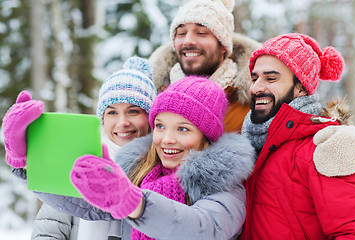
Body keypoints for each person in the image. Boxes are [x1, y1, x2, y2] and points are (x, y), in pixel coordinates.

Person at [4, 76, 255, 240]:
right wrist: (27, 160)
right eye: (159, 125)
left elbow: (202, 228)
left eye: (182, 129)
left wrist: (134, 202)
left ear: (206, 136)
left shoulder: (225, 185)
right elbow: (83, 202)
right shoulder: (141, 172)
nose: (166, 139)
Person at [2, 56, 157, 240]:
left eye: (133, 111)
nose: (122, 123)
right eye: (112, 112)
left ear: (150, 116)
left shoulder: (163, 170)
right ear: (103, 119)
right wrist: (25, 160)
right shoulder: (80, 162)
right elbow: (49, 229)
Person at [238, 33, 355, 239]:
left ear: (301, 87)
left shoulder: (326, 146)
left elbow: (352, 231)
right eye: (254, 78)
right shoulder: (250, 144)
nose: (256, 87)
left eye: (271, 78)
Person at [148, 0, 261, 133]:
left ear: (223, 46)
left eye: (201, 33)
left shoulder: (253, 104)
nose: (188, 41)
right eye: (181, 33)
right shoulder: (154, 99)